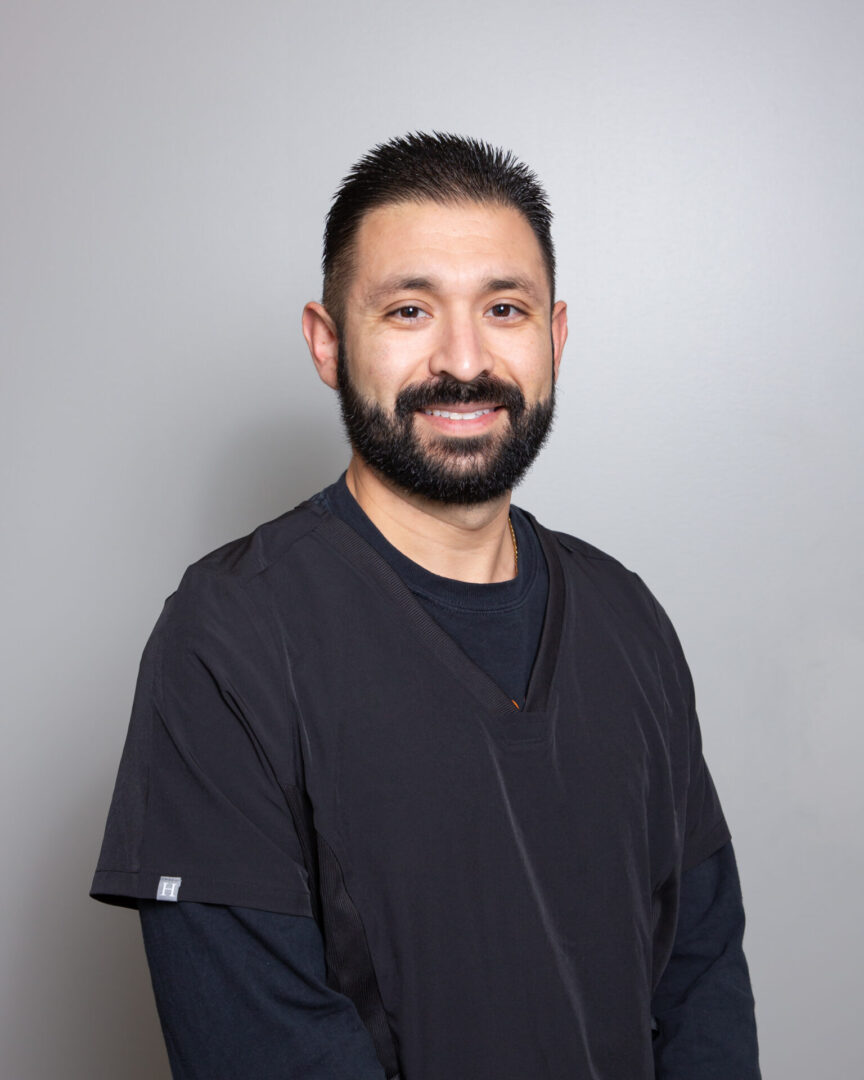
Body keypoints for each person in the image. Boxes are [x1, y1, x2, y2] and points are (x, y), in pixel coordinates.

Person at [91, 132, 760, 1079]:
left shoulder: (629, 619)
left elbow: (702, 988)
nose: (464, 359)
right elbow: (263, 1050)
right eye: (409, 308)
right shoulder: (230, 637)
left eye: (504, 308)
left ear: (555, 338)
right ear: (330, 344)